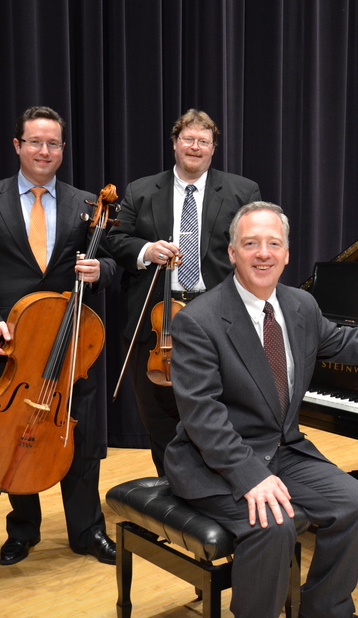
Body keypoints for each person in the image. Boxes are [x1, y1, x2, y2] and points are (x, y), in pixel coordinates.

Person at [164, 202, 358, 618]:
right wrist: (251, 478)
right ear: (232, 253)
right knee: (273, 525)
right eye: (250, 244)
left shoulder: (300, 305)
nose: (263, 253)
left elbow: (347, 342)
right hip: (214, 461)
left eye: (273, 244)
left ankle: (324, 608)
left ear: (285, 253)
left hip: (281, 450)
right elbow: (202, 416)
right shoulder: (198, 320)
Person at [0, 106, 117, 566]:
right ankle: (23, 530)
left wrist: (101, 269)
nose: (45, 151)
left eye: (54, 143)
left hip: (69, 350)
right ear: (18, 145)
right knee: (12, 437)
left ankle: (87, 532)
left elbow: (115, 262)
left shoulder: (87, 203)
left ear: (63, 150)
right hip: (12, 348)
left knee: (76, 441)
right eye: (36, 142)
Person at [107, 109, 260, 476]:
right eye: (188, 139)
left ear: (213, 148)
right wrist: (146, 251)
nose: (195, 147)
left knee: (219, 411)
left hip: (218, 317)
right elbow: (115, 239)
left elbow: (254, 246)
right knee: (159, 416)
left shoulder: (243, 191)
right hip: (157, 320)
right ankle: (172, 491)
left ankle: (217, 491)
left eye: (203, 141)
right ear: (175, 143)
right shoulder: (140, 191)